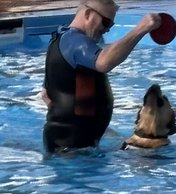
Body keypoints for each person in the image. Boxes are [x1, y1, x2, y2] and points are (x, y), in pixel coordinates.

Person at [42, 0, 162, 152]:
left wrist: (91, 124)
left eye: (110, 25)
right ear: (88, 14)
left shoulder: (60, 40)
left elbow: (46, 95)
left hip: (70, 144)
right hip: (71, 150)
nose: (107, 30)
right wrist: (142, 28)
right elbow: (104, 62)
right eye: (105, 22)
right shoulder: (74, 41)